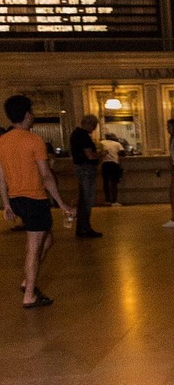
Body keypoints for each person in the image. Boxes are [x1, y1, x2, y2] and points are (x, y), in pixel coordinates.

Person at [0, 94, 75, 307]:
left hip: (17, 199)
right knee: (34, 246)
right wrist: (63, 205)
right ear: (26, 115)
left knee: (47, 239)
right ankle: (29, 295)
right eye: (31, 112)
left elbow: (1, 175)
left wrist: (6, 203)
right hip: (34, 199)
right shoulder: (34, 140)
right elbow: (46, 176)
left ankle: (28, 280)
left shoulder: (2, 141)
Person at [70, 114, 102, 238]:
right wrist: (101, 154)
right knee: (86, 200)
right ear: (89, 124)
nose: (94, 129)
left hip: (80, 169)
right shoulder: (83, 136)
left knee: (83, 199)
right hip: (86, 169)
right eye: (94, 126)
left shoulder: (76, 134)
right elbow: (90, 155)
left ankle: (82, 227)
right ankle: (85, 227)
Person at [99, 133, 126, 205]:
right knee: (114, 183)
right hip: (114, 164)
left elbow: (98, 151)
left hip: (105, 164)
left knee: (106, 183)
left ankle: (107, 200)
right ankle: (114, 201)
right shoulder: (117, 144)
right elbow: (123, 153)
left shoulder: (101, 143)